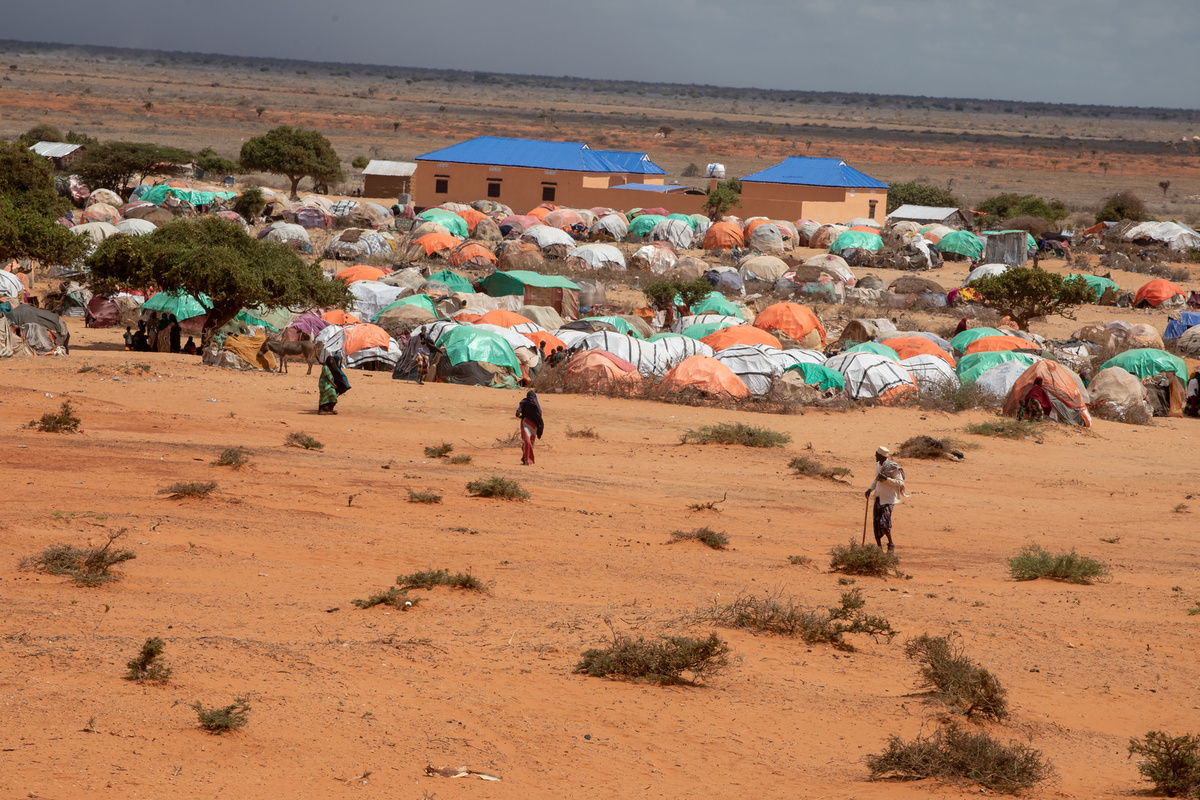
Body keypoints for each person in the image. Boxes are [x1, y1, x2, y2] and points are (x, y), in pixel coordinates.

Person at [865, 446, 907, 553]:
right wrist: (870, 489)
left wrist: (887, 479)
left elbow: (900, 483)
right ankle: (879, 549)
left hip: (888, 498)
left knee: (884, 523)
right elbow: (877, 479)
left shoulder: (892, 467)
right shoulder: (878, 465)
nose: (875, 456)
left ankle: (890, 544)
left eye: (877, 455)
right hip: (879, 496)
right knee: (876, 523)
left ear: (881, 456)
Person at [515, 390, 543, 466]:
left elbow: (539, 417)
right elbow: (520, 409)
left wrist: (540, 428)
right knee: (527, 442)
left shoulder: (536, 406)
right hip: (525, 424)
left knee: (531, 443)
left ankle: (524, 457)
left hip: (534, 427)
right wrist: (518, 412)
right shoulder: (524, 402)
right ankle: (528, 460)